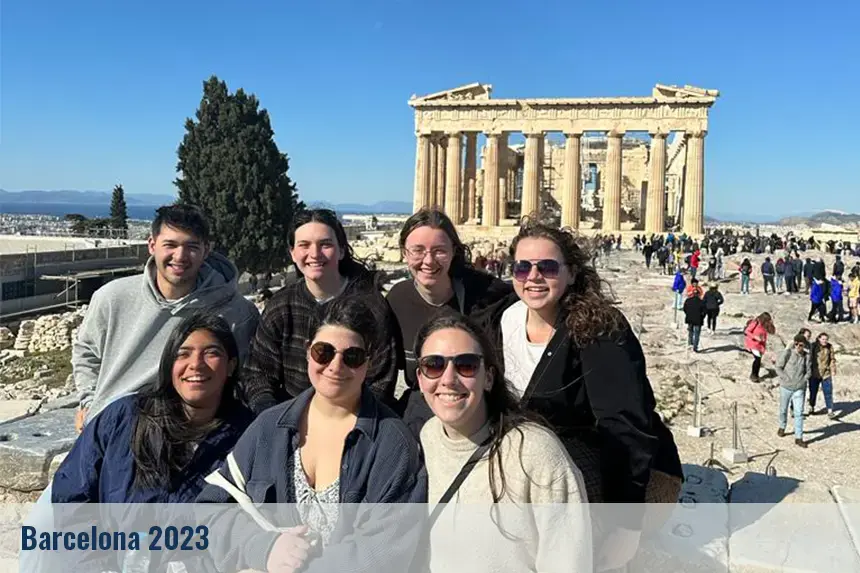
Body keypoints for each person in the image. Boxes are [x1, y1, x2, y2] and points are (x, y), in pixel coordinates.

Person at [479, 221, 683, 571]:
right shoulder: (505, 319)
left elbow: (624, 425)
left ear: (571, 273)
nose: (534, 277)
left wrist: (625, 524)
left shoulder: (600, 328)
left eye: (547, 267)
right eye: (523, 267)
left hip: (624, 472)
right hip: (549, 461)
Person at [197, 296, 427, 573]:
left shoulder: (392, 445)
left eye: (352, 357)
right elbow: (208, 511)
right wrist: (261, 547)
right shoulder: (269, 428)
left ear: (368, 363)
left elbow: (386, 553)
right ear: (308, 352)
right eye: (324, 352)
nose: (335, 366)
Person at [48, 313, 253, 573]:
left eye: (211, 353)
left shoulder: (249, 438)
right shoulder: (124, 418)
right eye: (183, 354)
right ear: (169, 364)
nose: (196, 365)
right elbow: (72, 496)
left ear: (231, 365)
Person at [415, 314, 591, 573]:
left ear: (488, 377)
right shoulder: (427, 438)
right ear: (420, 379)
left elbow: (569, 561)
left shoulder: (534, 452)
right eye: (434, 365)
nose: (449, 378)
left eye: (466, 365)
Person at [72, 204, 259, 431]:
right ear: (152, 245)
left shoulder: (236, 312)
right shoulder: (111, 297)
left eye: (191, 246)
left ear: (206, 250)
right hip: (109, 428)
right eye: (170, 245)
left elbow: (242, 379)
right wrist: (90, 403)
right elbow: (87, 351)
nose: (180, 256)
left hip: (184, 436)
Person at [240, 209, 399, 415]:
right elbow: (258, 373)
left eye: (325, 244)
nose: (314, 254)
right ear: (292, 253)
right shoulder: (281, 306)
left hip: (355, 421)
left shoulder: (371, 307)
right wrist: (271, 419)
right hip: (290, 420)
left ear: (341, 250)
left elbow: (381, 382)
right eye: (304, 245)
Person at [388, 208, 511, 437]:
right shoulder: (396, 299)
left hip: (479, 416)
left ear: (454, 252)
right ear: (405, 253)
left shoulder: (486, 294)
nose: (428, 260)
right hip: (422, 413)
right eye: (417, 250)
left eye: (439, 251)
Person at [775, 334, 811, 448]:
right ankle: (782, 426)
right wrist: (785, 378)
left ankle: (799, 437)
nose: (798, 347)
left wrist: (804, 380)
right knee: (783, 409)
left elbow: (809, 371)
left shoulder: (806, 356)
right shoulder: (788, 353)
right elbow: (778, 367)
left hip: (799, 388)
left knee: (799, 413)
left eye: (800, 345)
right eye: (796, 344)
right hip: (786, 386)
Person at [809, 332, 837, 419]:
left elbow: (832, 359)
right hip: (814, 373)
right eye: (823, 339)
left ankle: (830, 411)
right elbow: (809, 358)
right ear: (819, 339)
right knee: (813, 392)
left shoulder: (829, 347)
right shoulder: (813, 346)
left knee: (828, 392)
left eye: (826, 339)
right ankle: (811, 406)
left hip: (826, 373)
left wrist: (833, 369)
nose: (825, 341)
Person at [744, 312, 775, 384]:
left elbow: (772, 332)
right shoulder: (756, 323)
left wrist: (772, 324)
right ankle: (753, 375)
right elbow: (747, 331)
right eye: (767, 320)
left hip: (760, 345)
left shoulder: (766, 325)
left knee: (758, 360)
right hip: (753, 344)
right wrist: (755, 337)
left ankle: (755, 375)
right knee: (757, 359)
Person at [683, 287, 706, 352]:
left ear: (692, 293)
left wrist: (688, 315)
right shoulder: (702, 302)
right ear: (699, 294)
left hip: (690, 319)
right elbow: (704, 312)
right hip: (698, 320)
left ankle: (690, 343)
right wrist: (702, 317)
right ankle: (695, 347)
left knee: (690, 331)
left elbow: (685, 309)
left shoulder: (688, 300)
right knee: (697, 333)